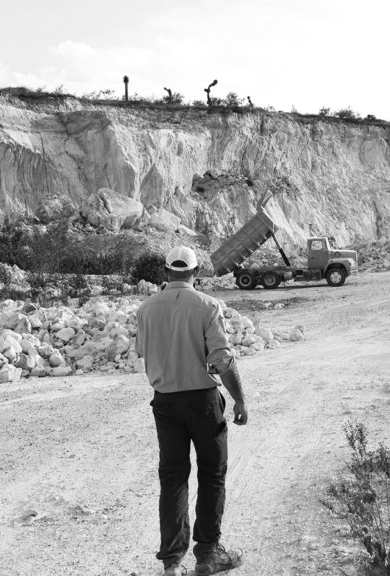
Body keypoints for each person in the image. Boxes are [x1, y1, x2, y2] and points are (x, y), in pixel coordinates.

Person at [136, 245, 248, 576]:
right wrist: (240, 399)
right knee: (212, 474)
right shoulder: (207, 306)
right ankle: (207, 554)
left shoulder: (145, 309)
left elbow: (145, 352)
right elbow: (221, 360)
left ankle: (172, 563)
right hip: (202, 401)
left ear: (166, 272)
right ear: (195, 273)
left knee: (172, 477)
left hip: (165, 403)